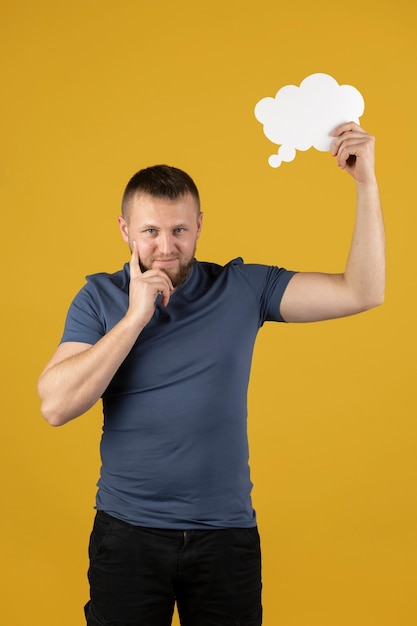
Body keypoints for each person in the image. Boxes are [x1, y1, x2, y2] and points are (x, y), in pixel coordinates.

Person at [38, 122, 385, 626]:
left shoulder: (242, 287)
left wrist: (366, 183)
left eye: (179, 230)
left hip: (225, 538)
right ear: (124, 230)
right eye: (150, 232)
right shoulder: (99, 297)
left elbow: (363, 291)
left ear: (199, 225)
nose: (165, 247)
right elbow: (55, 405)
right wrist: (136, 317)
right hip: (128, 534)